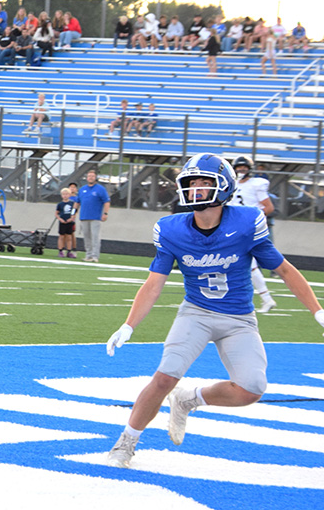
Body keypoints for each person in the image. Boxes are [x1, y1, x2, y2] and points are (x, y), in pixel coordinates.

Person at [105, 153, 324, 469]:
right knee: (165, 377)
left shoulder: (246, 223)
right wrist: (128, 325)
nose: (196, 188)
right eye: (192, 182)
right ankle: (125, 443)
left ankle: (189, 398)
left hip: (239, 319)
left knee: (252, 389)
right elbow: (154, 284)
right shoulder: (171, 229)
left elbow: (285, 270)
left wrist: (317, 311)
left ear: (225, 188)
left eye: (205, 182)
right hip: (196, 313)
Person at [230, 156, 277, 312]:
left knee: (249, 265)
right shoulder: (232, 184)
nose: (241, 170)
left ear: (249, 169)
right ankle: (266, 298)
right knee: (247, 266)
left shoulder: (256, 184)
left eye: (244, 167)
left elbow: (269, 208)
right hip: (233, 228)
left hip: (248, 228)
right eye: (239, 167)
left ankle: (265, 298)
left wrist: (252, 218)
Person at [76, 169, 109, 262]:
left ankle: (95, 256)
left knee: (95, 237)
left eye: (92, 176)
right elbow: (77, 202)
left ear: (95, 178)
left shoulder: (100, 189)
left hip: (95, 217)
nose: (90, 178)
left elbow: (106, 201)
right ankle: (88, 255)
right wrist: (73, 214)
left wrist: (105, 213)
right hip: (84, 217)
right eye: (89, 176)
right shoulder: (82, 189)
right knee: (86, 237)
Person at [55, 187, 77, 258]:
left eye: (66, 194)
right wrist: (60, 219)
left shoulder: (72, 203)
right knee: (61, 236)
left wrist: (71, 218)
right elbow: (56, 213)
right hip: (62, 222)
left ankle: (69, 251)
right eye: (63, 194)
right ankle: (60, 250)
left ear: (70, 195)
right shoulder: (60, 204)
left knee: (69, 237)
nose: (65, 196)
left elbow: (74, 212)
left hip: (69, 222)